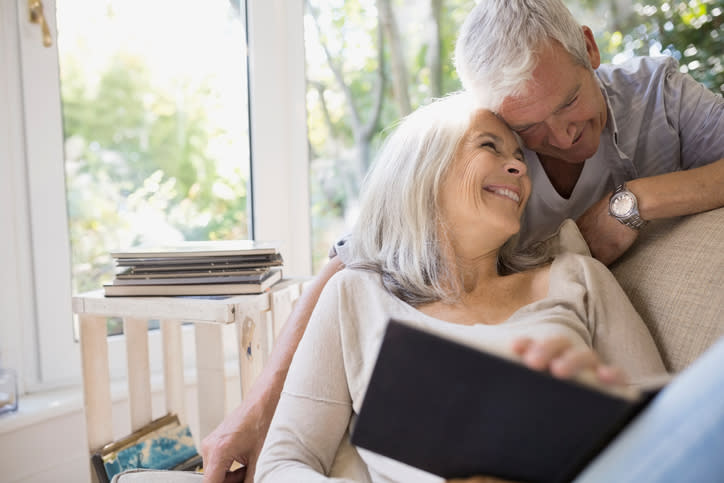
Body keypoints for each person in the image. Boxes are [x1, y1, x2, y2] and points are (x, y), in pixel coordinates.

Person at [201, 1, 724, 480]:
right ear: (425, 180)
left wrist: (635, 201)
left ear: (589, 48)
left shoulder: (579, 275)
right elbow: (348, 264)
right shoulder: (363, 295)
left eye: (569, 102)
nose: (555, 141)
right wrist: (253, 411)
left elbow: (663, 428)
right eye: (521, 133)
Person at [253, 91, 669, 481]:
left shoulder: (579, 279)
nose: (520, 168)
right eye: (490, 146)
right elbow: (283, 464)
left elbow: (666, 439)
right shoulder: (355, 294)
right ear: (422, 170)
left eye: (519, 157)